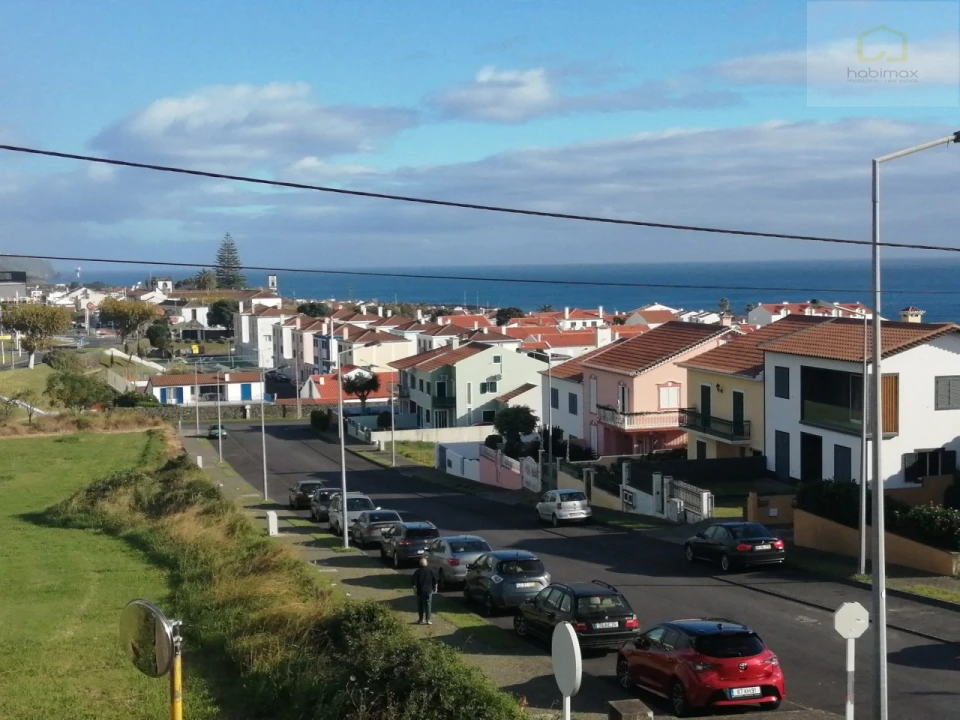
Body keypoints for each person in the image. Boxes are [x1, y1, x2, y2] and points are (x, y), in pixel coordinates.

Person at [412, 557, 438, 625]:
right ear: (427, 563)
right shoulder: (430, 571)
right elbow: (435, 581)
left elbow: (414, 583)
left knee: (420, 606)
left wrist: (414, 591)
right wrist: (435, 589)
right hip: (428, 591)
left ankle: (421, 620)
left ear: (420, 564)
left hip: (420, 591)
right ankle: (428, 620)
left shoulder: (417, 572)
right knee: (428, 605)